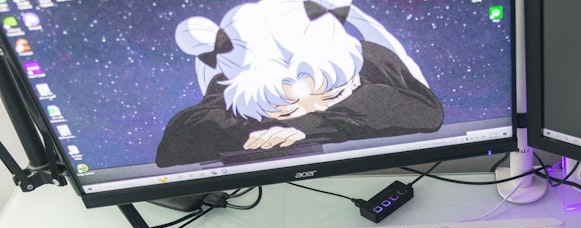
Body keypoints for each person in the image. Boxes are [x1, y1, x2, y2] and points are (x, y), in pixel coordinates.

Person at [156, 0, 444, 167]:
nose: (311, 108)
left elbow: (425, 112)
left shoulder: (368, 56)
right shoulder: (232, 84)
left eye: (334, 93)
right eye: (286, 108)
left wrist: (302, 128)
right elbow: (176, 147)